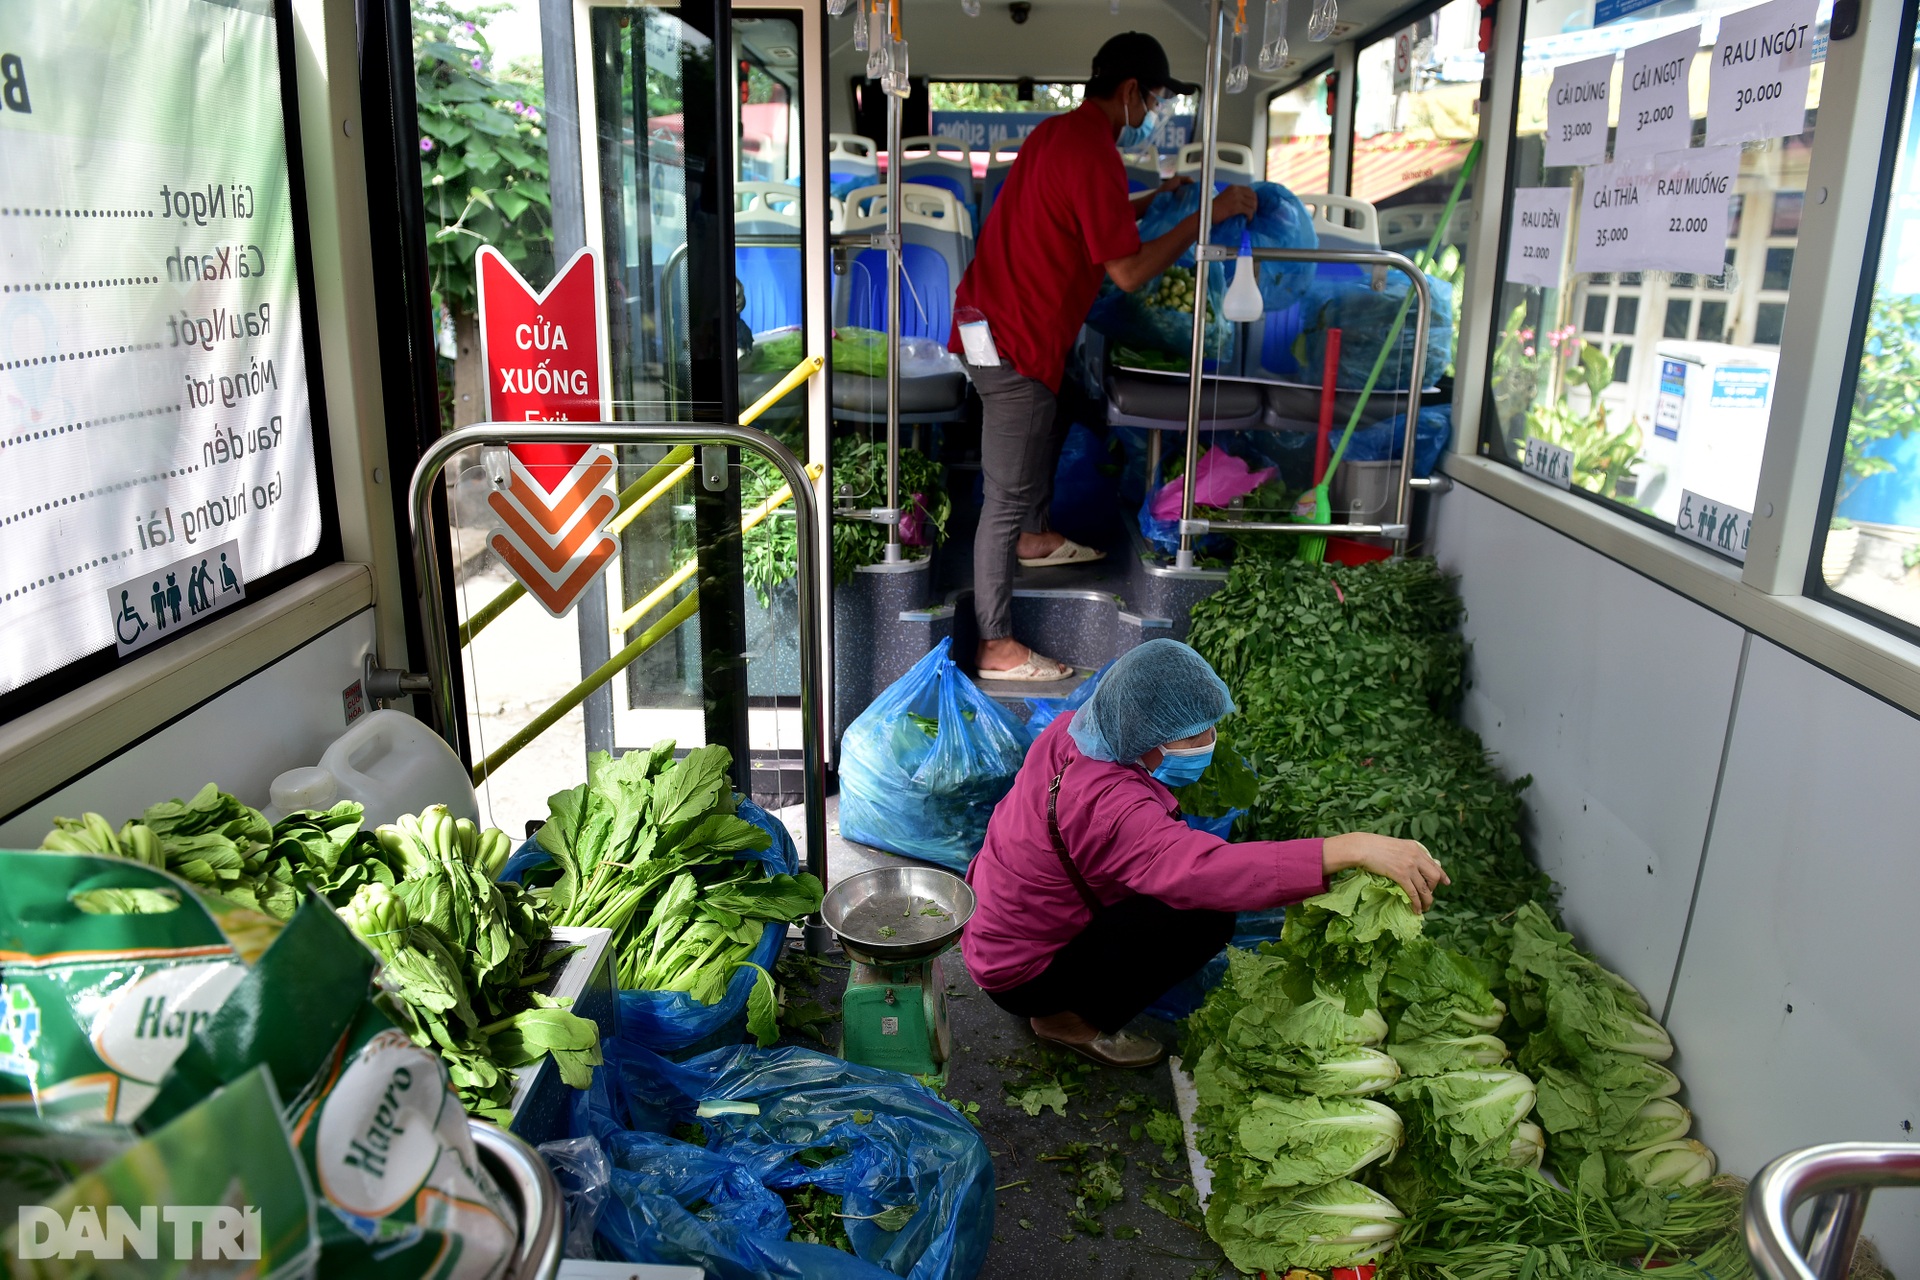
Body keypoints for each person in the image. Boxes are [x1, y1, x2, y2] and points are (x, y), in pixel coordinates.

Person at [962, 639, 1449, 1067]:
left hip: (991, 928)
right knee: (1207, 919)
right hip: (1021, 974)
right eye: (1194, 737)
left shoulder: (1072, 729)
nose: (1208, 744)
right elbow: (1205, 872)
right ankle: (1067, 1021)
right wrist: (1349, 849)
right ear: (1144, 740)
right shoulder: (1115, 810)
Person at [948, 33, 1259, 682]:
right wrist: (1207, 212)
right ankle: (994, 642)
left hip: (990, 319)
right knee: (1003, 492)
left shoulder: (1060, 136)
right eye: (1153, 98)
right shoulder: (1093, 151)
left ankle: (1035, 536)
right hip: (1012, 340)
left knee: (1062, 401)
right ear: (1128, 93)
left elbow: (1094, 217)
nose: (1153, 110)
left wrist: (1159, 199)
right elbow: (1126, 270)